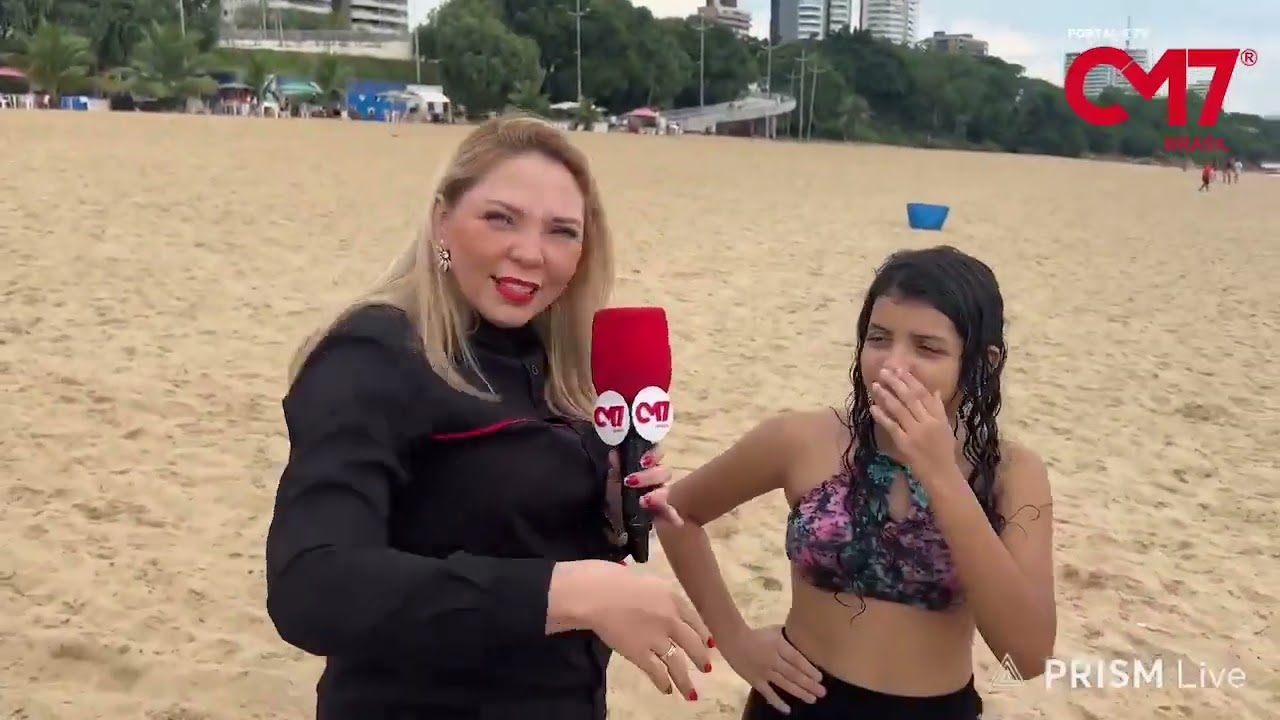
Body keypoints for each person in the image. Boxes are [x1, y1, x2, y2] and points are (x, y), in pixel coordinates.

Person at [264, 114, 713, 720]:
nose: (531, 253)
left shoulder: (554, 362)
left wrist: (609, 510)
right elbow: (313, 587)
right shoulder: (374, 353)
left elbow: (508, 523)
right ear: (440, 218)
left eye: (562, 232)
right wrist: (568, 593)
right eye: (500, 218)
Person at [658, 246, 1056, 719]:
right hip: (798, 703)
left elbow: (1028, 658)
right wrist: (736, 639)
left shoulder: (1013, 474)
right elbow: (677, 514)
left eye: (927, 347)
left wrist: (941, 473)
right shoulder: (802, 440)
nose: (892, 364)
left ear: (982, 363)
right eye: (880, 338)